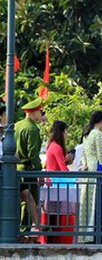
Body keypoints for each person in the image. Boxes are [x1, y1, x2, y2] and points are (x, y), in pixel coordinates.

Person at [78, 111, 102, 243]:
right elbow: (101, 156)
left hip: (89, 171)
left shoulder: (87, 134)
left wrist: (85, 164)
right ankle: (101, 236)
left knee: (90, 203)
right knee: (100, 203)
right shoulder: (97, 134)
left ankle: (88, 234)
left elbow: (83, 155)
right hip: (97, 169)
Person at [16, 98, 46, 234]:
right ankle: (25, 231)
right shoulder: (32, 129)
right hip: (28, 169)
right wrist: (39, 171)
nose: (41, 114)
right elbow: (33, 154)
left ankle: (20, 230)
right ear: (33, 113)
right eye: (40, 111)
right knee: (30, 201)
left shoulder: (17, 125)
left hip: (16, 169)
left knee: (22, 200)